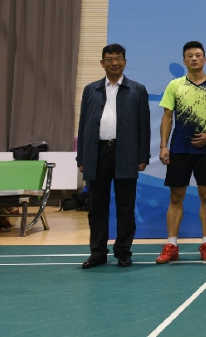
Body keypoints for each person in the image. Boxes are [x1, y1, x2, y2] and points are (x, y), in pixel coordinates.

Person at [77, 44, 151, 269]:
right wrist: (82, 158)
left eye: (118, 59)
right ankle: (98, 252)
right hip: (97, 153)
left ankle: (123, 252)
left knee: (125, 206)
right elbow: (83, 125)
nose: (114, 63)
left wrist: (143, 156)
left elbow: (144, 126)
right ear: (102, 63)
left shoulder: (137, 90)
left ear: (125, 62)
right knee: (96, 206)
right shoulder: (90, 90)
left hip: (126, 153)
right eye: (109, 59)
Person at [156, 41, 206, 264]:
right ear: (184, 60)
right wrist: (164, 146)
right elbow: (167, 116)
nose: (194, 58)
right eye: (190, 56)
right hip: (179, 149)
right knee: (176, 197)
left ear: (205, 59)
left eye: (198, 55)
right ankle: (171, 245)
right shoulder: (175, 85)